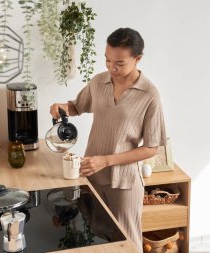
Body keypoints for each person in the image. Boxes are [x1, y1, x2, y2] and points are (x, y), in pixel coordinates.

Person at [50, 27, 166, 252]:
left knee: (127, 243)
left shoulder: (150, 94)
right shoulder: (99, 81)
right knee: (96, 238)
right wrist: (61, 108)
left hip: (124, 183)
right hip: (91, 174)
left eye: (120, 63)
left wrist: (106, 160)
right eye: (107, 59)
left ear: (138, 59)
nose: (111, 67)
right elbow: (76, 106)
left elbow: (152, 148)